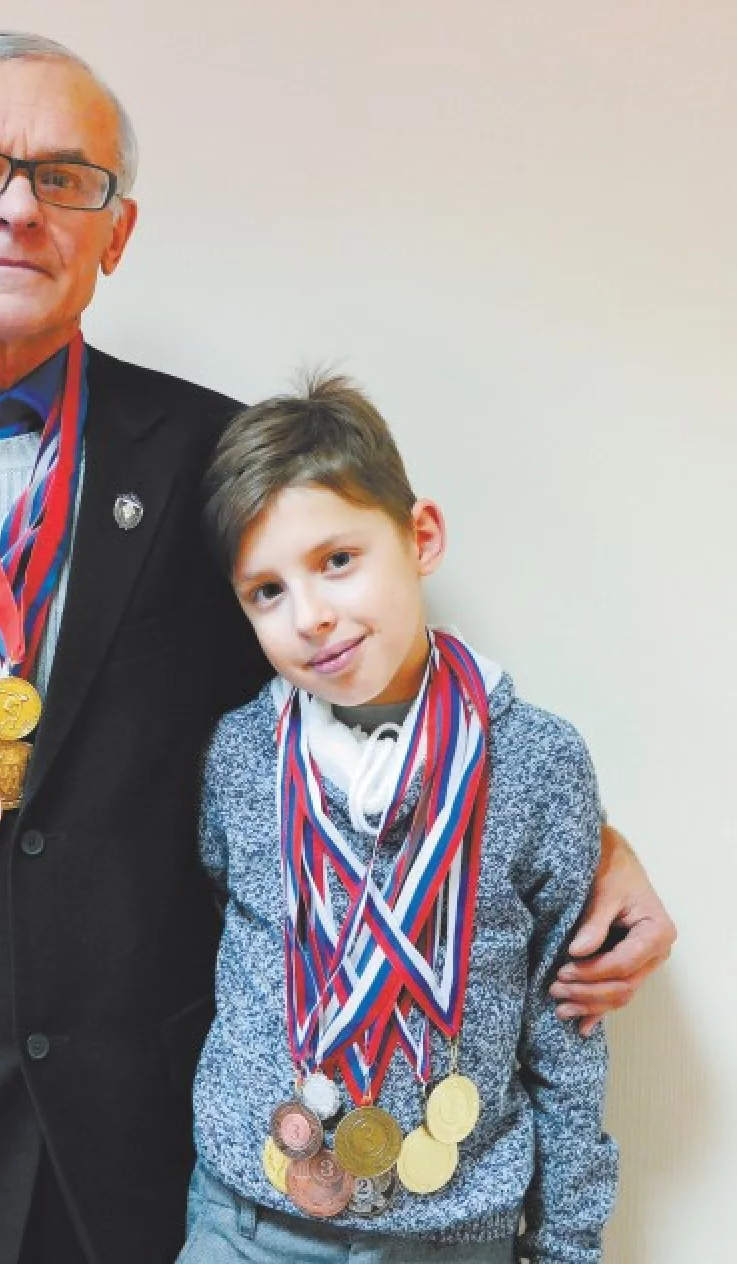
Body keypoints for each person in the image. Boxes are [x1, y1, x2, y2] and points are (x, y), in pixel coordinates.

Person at [0, 30, 668, 1264]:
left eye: (65, 178)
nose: (17, 207)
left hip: (142, 1159)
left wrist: (591, 848)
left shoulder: (212, 458)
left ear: (115, 231)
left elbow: (348, 699)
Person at [183, 376, 618, 1262]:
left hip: (451, 1236)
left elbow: (566, 1027)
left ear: (421, 537)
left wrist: (569, 1244)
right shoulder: (240, 754)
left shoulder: (537, 762)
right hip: (244, 1223)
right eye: (266, 591)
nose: (311, 616)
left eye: (338, 559)